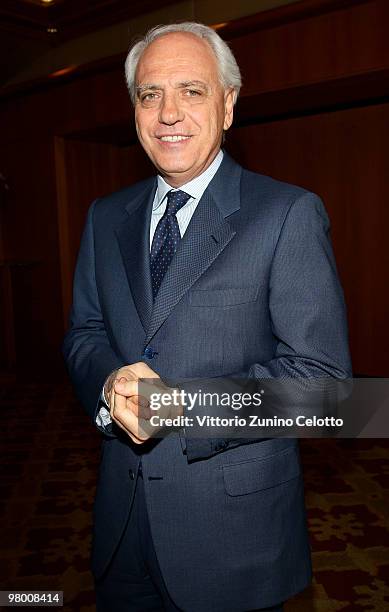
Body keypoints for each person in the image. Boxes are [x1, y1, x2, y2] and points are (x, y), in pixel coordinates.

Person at [63, 22, 351, 612]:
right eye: (150, 94)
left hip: (233, 539)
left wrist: (171, 406)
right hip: (120, 530)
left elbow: (324, 391)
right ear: (135, 110)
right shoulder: (104, 215)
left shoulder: (286, 213)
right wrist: (111, 381)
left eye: (192, 91)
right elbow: (85, 333)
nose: (169, 113)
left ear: (228, 105)